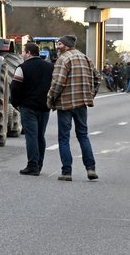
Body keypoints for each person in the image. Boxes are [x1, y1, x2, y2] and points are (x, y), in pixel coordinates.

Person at [47, 35, 101, 181]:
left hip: (65, 104)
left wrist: (50, 99)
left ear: (66, 45)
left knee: (64, 138)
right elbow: (98, 78)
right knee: (83, 135)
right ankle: (91, 169)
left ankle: (66, 172)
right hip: (82, 103)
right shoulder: (85, 58)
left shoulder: (63, 59)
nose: (57, 47)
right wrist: (90, 95)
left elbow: (57, 83)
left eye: (60, 44)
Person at [10, 42, 54, 176]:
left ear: (28, 53)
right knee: (40, 136)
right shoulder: (50, 67)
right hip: (44, 107)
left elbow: (14, 87)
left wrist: (16, 103)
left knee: (31, 136)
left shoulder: (22, 67)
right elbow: (55, 85)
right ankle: (39, 165)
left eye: (24, 52)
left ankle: (32, 165)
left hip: (28, 107)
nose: (23, 54)